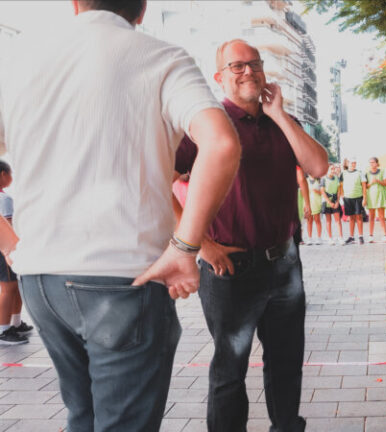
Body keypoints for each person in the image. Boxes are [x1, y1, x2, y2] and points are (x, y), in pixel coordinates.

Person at [0, 1, 242, 430]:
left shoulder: (20, 62)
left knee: (85, 417)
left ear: (75, 4)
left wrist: (12, 246)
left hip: (42, 281)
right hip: (121, 280)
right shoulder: (161, 58)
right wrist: (185, 248)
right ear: (143, 8)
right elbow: (221, 145)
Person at [175, 38, 327, 432]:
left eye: (254, 64)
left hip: (284, 265)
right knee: (230, 369)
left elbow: (318, 166)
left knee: (287, 363)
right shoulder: (207, 125)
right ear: (219, 77)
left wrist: (279, 115)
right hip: (231, 269)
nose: (248, 72)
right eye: (237, 66)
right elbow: (160, 181)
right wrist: (201, 245)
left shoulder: (281, 122)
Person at [0, 162, 31, 345]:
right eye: (10, 174)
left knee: (14, 286)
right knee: (9, 288)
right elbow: (9, 227)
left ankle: (16, 323)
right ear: (3, 175)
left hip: (4, 250)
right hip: (6, 250)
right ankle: (4, 330)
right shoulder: (4, 200)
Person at [339, 158, 366, 245]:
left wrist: (364, 198)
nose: (353, 164)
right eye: (351, 163)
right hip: (347, 198)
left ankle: (361, 236)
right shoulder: (343, 173)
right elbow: (340, 185)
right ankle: (351, 237)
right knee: (351, 218)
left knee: (359, 217)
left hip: (358, 198)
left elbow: (364, 186)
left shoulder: (360, 173)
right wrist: (342, 195)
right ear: (347, 163)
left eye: (354, 163)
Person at [365, 156, 386, 242]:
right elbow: (365, 186)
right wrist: (371, 182)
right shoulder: (367, 173)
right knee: (371, 217)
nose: (371, 164)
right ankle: (370, 236)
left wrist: (378, 181)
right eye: (370, 163)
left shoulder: (382, 171)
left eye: (373, 162)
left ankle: (384, 235)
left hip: (380, 196)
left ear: (377, 163)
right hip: (371, 197)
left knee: (381, 216)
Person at [321, 164, 344, 245]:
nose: (333, 170)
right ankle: (330, 238)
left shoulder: (337, 179)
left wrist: (337, 201)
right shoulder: (323, 179)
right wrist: (329, 202)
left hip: (335, 201)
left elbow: (338, 191)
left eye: (334, 169)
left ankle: (341, 237)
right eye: (331, 168)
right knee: (328, 221)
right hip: (327, 202)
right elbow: (323, 192)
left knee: (338, 221)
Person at [306, 174, 324, 245]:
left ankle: (319, 238)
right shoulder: (306, 181)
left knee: (317, 220)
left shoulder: (319, 181)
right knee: (309, 221)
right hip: (308, 204)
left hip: (316, 203)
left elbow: (322, 192)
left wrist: (317, 192)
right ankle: (309, 238)